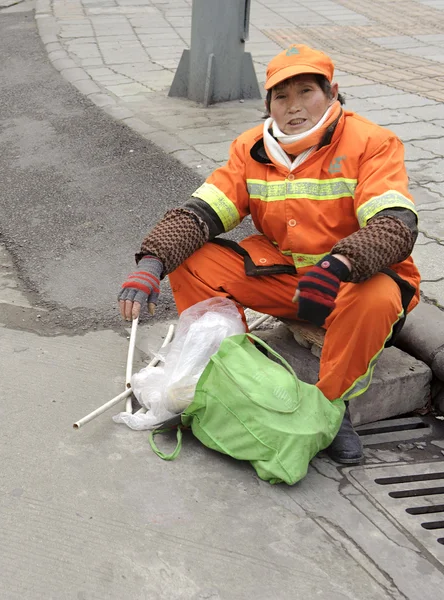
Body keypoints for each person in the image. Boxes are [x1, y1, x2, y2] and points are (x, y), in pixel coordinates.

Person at [118, 44, 421, 465]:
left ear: (332, 93)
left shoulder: (372, 142)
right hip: (288, 281)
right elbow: (201, 212)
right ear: (268, 104)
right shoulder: (250, 148)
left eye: (306, 92)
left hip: (350, 282)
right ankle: (230, 370)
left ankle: (331, 409)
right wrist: (152, 261)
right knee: (188, 257)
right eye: (282, 96)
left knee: (377, 298)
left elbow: (394, 224)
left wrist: (340, 264)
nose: (293, 107)